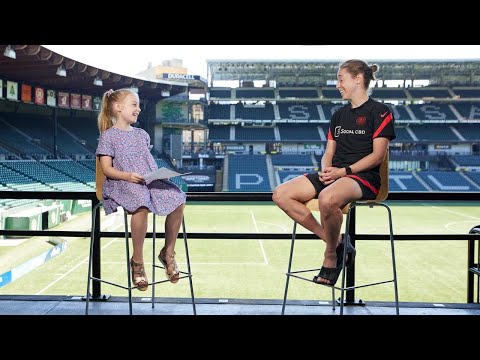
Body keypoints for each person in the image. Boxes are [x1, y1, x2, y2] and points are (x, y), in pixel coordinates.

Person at [272, 60, 396, 286]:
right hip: (336, 175)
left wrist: (343, 172)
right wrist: (327, 170)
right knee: (281, 194)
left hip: (362, 177)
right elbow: (329, 151)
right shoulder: (338, 115)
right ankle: (338, 243)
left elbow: (377, 156)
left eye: (341, 79)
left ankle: (330, 256)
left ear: (358, 79)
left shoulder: (380, 111)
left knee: (327, 199)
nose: (337, 84)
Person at [96, 88, 186, 291]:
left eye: (138, 105)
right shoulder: (108, 137)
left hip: (146, 180)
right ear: (118, 108)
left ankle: (168, 253)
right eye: (133, 104)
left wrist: (157, 175)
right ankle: (137, 262)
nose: (138, 109)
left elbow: (146, 162)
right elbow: (107, 169)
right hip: (122, 182)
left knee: (178, 197)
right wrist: (128, 176)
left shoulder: (142, 134)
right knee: (141, 203)